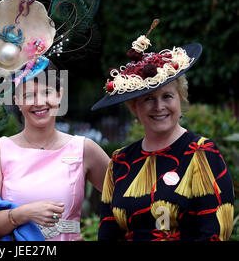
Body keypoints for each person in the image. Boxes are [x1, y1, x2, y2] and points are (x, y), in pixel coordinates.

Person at [0, 0, 109, 241]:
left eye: (46, 92)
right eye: (28, 95)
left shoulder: (84, 148)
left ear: (59, 95)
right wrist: (22, 215)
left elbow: (127, 200)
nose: (39, 102)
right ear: (17, 100)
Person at [92, 20, 235, 241]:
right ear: (135, 108)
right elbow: (108, 233)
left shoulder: (201, 154)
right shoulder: (119, 161)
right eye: (148, 99)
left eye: (167, 96)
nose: (159, 107)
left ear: (181, 100)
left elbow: (215, 234)